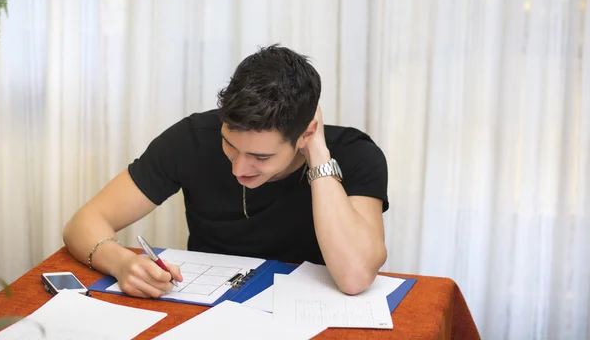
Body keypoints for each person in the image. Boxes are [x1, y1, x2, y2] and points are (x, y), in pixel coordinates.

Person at [63, 45, 389, 298]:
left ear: (306, 132)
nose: (239, 168)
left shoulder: (356, 154)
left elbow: (355, 276)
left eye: (260, 156)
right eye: (230, 145)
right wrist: (121, 263)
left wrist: (317, 151)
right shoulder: (191, 139)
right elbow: (83, 223)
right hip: (209, 313)